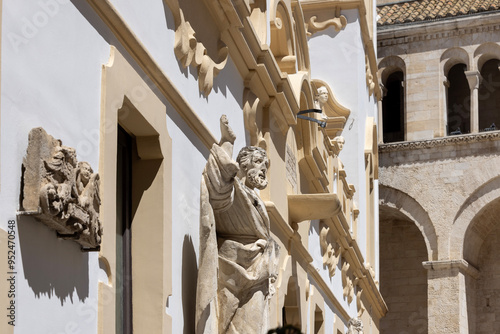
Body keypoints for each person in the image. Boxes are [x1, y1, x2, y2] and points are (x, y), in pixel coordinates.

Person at [196, 115, 279, 334]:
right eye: (259, 163)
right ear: (244, 164)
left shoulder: (255, 199)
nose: (263, 170)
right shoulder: (237, 193)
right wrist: (227, 143)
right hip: (236, 266)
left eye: (266, 166)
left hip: (257, 271)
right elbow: (219, 189)